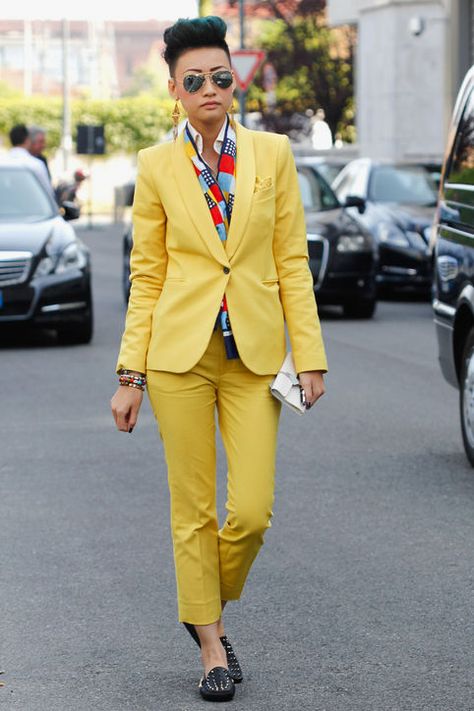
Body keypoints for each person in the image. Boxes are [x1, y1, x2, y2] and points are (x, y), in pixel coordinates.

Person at [111, 16, 328, 703]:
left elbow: (291, 260)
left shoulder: (274, 153)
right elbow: (146, 275)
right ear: (174, 89)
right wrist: (129, 375)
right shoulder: (155, 166)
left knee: (254, 509)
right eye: (194, 80)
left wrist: (311, 354)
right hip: (178, 355)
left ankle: (199, 593)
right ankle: (211, 644)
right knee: (192, 509)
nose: (210, 88)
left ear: (236, 81)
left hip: (256, 355)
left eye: (221, 77)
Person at [8, 124, 55, 201]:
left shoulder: (41, 160)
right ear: (28, 140)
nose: (44, 145)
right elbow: (48, 193)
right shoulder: (36, 165)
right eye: (41, 142)